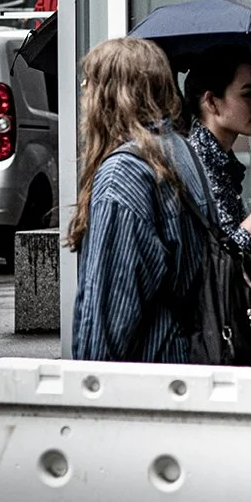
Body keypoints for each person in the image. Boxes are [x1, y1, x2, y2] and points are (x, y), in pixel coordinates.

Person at [70, 37, 209, 362]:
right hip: (186, 364)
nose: (83, 95)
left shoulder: (124, 173)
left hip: (143, 378)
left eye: (88, 85)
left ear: (108, 96)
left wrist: (86, 390)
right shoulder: (181, 150)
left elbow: (107, 317)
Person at [182, 45, 251, 258]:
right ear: (212, 102)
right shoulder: (198, 160)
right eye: (247, 95)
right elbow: (231, 251)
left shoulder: (218, 157)